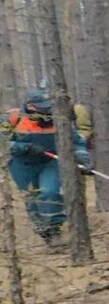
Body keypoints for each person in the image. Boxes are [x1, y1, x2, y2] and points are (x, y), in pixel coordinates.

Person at [4, 90, 90, 248]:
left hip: (50, 162)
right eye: (43, 107)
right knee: (31, 200)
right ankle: (45, 233)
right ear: (30, 106)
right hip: (22, 165)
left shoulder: (59, 118)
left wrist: (83, 158)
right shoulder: (12, 118)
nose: (47, 110)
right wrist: (22, 147)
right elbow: (3, 140)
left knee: (49, 191)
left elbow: (77, 141)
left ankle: (55, 230)